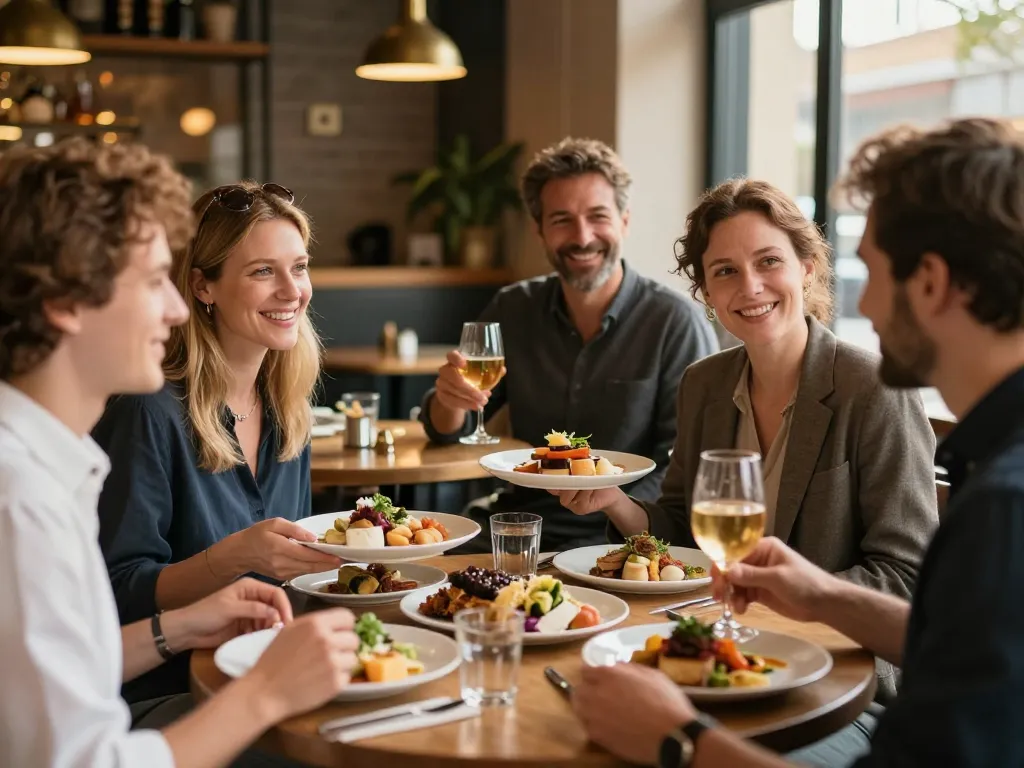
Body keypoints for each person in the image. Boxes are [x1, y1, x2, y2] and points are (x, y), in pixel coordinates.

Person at [572, 117, 1024, 767]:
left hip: (843, 691)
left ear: (929, 280)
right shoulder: (996, 472)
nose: (862, 303)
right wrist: (817, 592)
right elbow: (960, 638)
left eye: (872, 270)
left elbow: (916, 597)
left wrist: (680, 743)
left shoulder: (1002, 506)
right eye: (725, 271)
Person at [0, 138, 358, 768]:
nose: (172, 307)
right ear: (62, 304)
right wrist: (266, 691)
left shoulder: (55, 470)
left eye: (299, 266)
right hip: (174, 699)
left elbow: (63, 665)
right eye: (148, 281)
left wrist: (187, 625)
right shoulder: (22, 501)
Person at [555, 179, 938, 603]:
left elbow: (907, 574)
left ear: (806, 268)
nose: (750, 286)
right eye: (725, 271)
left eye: (769, 261)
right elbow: (685, 532)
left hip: (833, 651)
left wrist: (780, 598)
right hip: (718, 629)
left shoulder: (875, 389)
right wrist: (614, 501)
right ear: (706, 293)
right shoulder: (703, 384)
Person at [92, 179, 341, 704]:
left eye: (299, 266)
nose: (292, 290)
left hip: (269, 677)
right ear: (203, 287)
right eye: (262, 271)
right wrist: (229, 559)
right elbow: (115, 592)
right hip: (169, 695)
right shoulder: (148, 412)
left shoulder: (287, 408)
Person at [421, 137, 719, 552]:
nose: (582, 237)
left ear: (624, 221)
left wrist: (618, 506)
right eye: (561, 219)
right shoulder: (512, 307)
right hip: (515, 527)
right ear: (538, 229)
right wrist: (451, 400)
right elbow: (450, 432)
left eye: (598, 216)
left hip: (623, 538)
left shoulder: (674, 322)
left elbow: (681, 466)